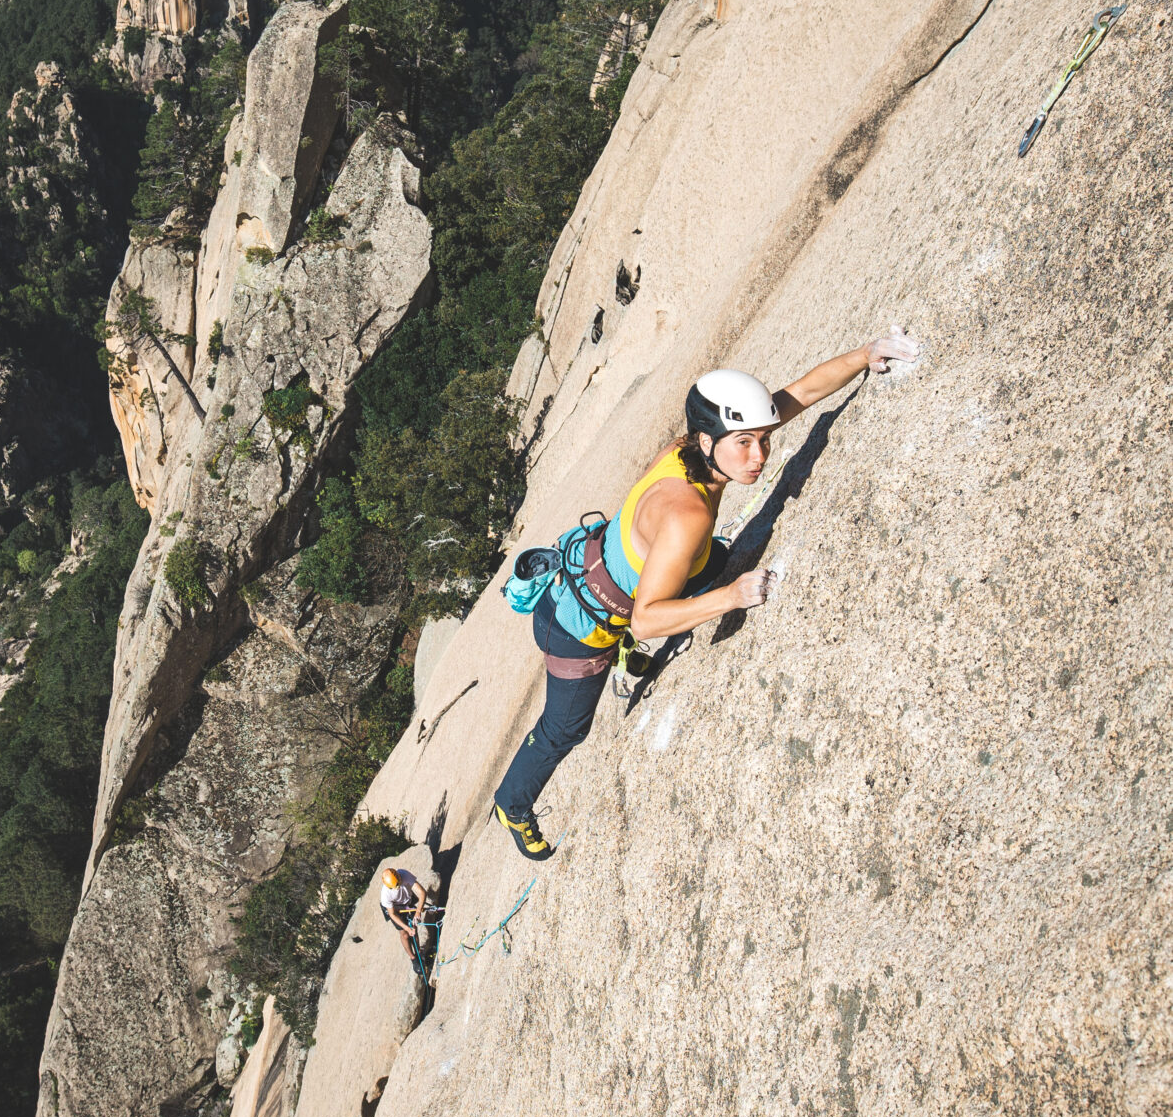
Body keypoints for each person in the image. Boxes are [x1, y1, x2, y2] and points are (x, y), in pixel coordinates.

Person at [492, 332, 918, 861]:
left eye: (762, 439)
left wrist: (862, 357)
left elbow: (798, 395)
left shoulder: (692, 448)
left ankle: (655, 622)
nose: (759, 455)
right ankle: (512, 803)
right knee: (565, 730)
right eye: (745, 442)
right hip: (578, 629)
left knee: (711, 558)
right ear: (709, 439)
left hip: (593, 575)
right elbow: (647, 621)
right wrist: (733, 597)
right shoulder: (687, 514)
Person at [378, 864, 431, 965]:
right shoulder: (385, 894)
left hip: (407, 901)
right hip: (394, 909)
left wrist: (418, 911)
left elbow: (422, 892)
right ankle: (413, 958)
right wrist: (406, 928)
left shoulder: (404, 874)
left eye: (399, 883)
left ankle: (419, 952)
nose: (398, 886)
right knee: (405, 934)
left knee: (414, 929)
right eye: (395, 886)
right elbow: (392, 914)